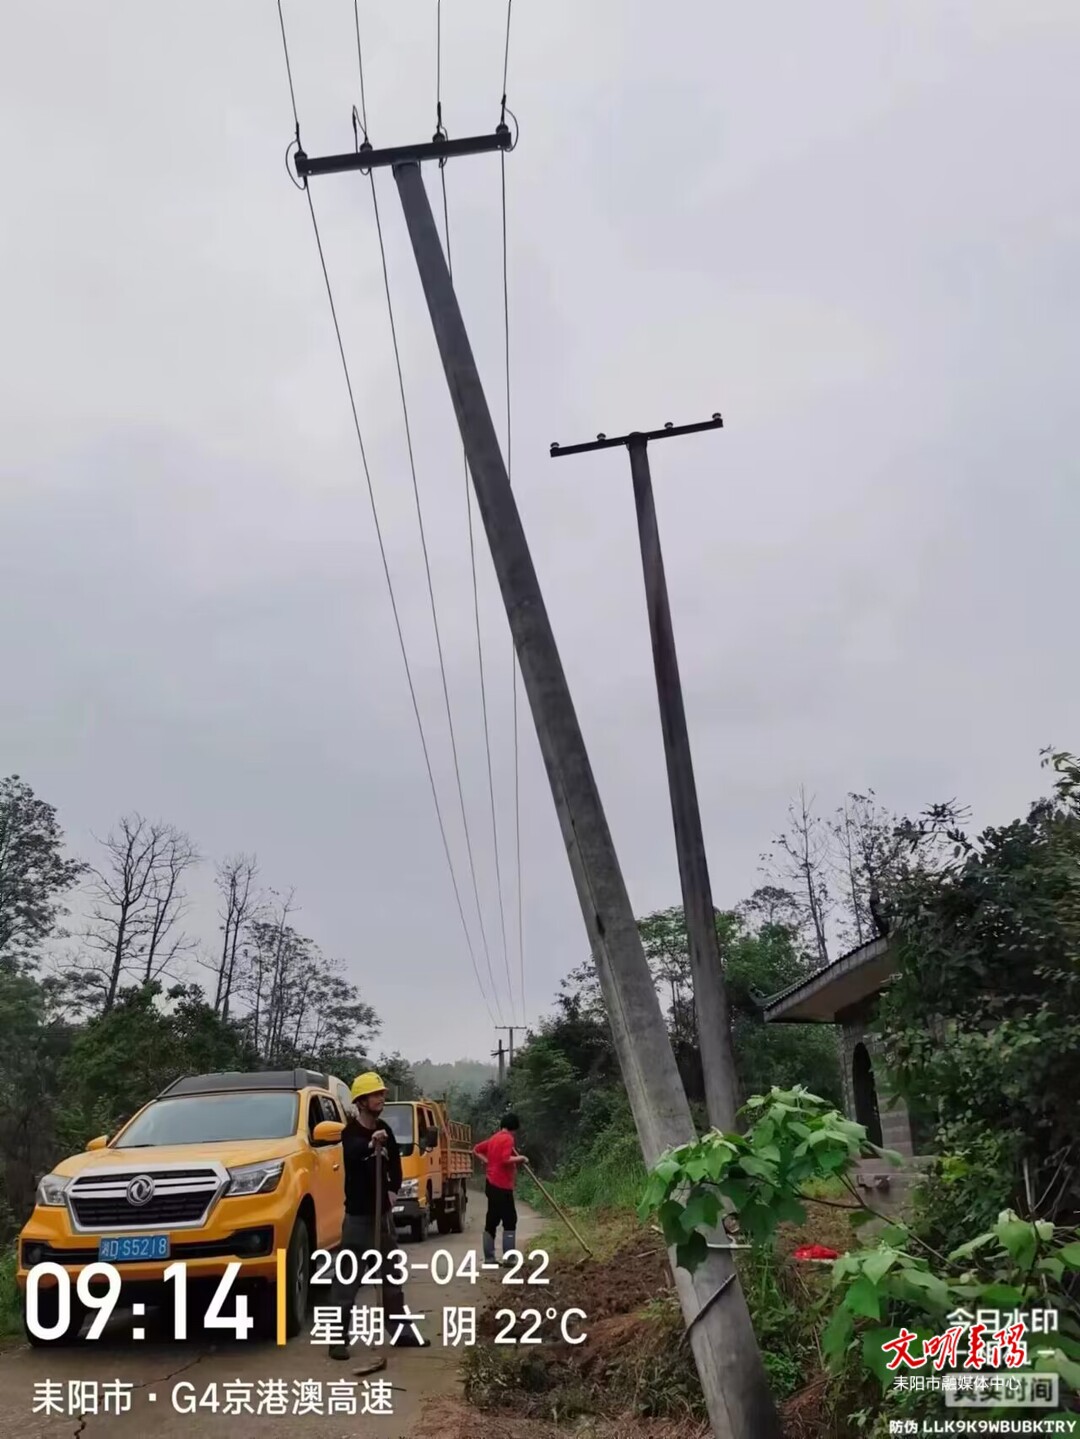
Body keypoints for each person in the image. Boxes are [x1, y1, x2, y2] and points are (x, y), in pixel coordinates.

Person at [327, 1071, 429, 1359]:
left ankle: (401, 1332)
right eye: (375, 1095)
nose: (381, 1099)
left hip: (383, 1217)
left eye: (382, 1094)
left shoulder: (386, 1130)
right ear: (361, 1102)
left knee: (391, 1277)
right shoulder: (351, 1134)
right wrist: (372, 1144)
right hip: (358, 1218)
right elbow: (353, 1155)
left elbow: (395, 1166)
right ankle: (338, 1339)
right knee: (347, 1280)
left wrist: (393, 1190)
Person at [473, 1112, 528, 1265]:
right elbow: (505, 1159)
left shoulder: (494, 1138)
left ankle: (489, 1258)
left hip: (490, 1184)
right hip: (502, 1185)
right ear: (514, 1128)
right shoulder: (508, 1138)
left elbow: (476, 1149)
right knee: (510, 1219)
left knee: (492, 1218)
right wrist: (521, 1158)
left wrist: (488, 1162)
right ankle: (509, 1258)